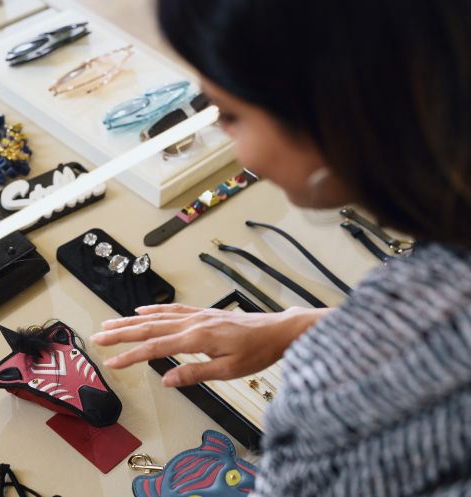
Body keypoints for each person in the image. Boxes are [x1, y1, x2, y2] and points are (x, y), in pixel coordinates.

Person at [90, 1, 471, 496]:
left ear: (335, 115)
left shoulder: (337, 391)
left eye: (228, 114)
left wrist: (339, 345)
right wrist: (304, 326)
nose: (223, 138)